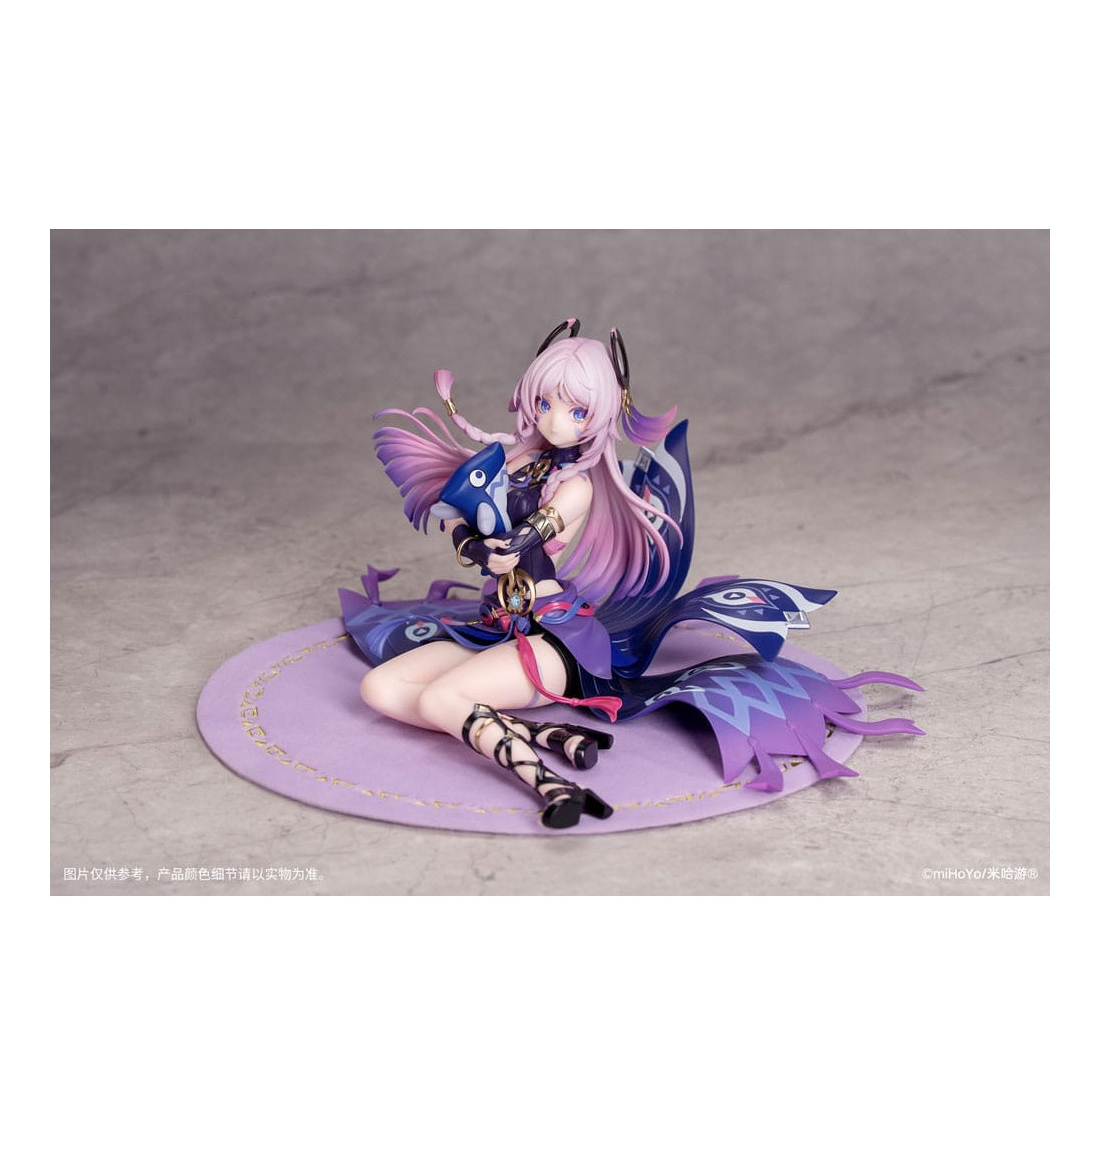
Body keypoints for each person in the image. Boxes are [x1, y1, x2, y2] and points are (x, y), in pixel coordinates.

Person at [341, 320, 922, 829]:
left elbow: (526, 538)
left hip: (553, 637)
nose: (555, 420)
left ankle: (552, 785)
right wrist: (471, 540)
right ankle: (554, 736)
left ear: (601, 413)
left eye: (576, 411)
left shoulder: (575, 485)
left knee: (443, 697)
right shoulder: (507, 458)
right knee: (380, 689)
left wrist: (499, 550)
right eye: (545, 402)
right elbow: (455, 517)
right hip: (494, 627)